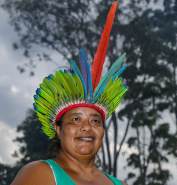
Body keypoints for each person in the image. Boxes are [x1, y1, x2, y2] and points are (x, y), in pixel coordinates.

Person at [11, 1, 128, 185]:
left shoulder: (120, 184)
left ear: (102, 131)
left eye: (95, 120)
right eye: (75, 119)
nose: (87, 127)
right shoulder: (40, 173)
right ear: (58, 129)